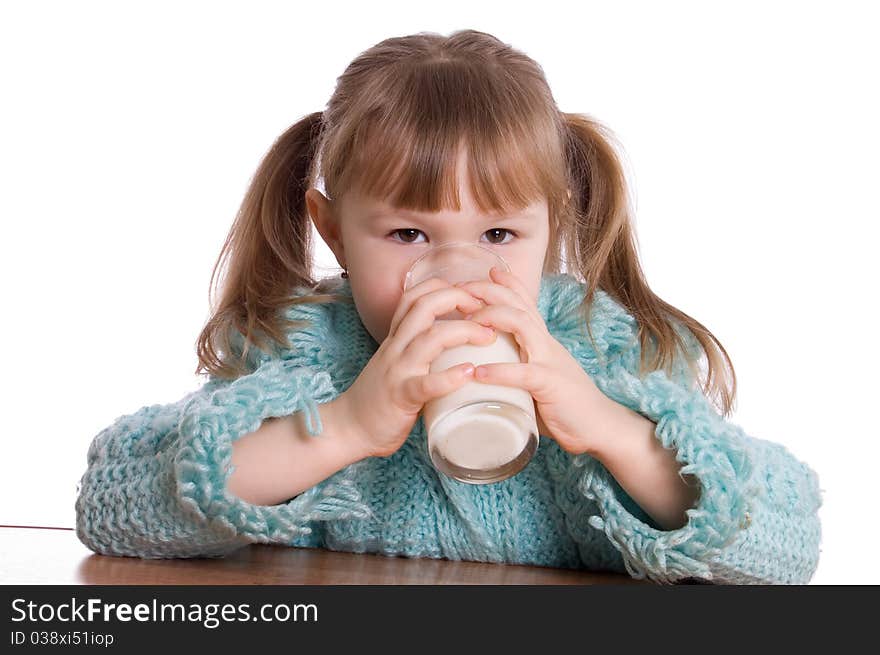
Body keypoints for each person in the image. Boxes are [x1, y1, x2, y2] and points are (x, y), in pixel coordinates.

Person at [75, 29, 823, 584]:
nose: (456, 274)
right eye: (408, 233)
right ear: (334, 232)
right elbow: (114, 501)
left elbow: (788, 540)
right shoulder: (309, 354)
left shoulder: (595, 352)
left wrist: (606, 425)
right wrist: (346, 425)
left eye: (498, 232)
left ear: (551, 228)